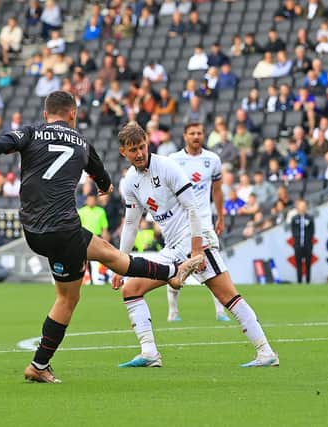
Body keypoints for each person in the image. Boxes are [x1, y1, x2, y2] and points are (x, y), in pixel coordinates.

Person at [0, 91, 201, 383]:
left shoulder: (30, 133)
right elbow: (102, 176)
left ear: (46, 115)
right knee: (112, 260)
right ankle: (172, 271)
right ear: (73, 114)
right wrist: (104, 186)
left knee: (70, 293)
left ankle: (39, 366)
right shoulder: (82, 143)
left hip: (33, 231)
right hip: (64, 230)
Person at [113, 122, 279, 368]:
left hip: (196, 241)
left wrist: (198, 248)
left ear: (148, 142)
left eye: (142, 147)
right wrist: (120, 264)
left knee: (227, 296)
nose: (139, 154)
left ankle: (265, 352)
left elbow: (193, 208)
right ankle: (149, 354)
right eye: (133, 150)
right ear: (123, 153)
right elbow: (130, 224)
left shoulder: (167, 166)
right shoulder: (129, 183)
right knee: (131, 289)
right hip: (172, 248)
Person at [168, 122, 233, 322]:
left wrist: (220, 216)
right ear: (185, 136)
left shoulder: (212, 159)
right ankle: (173, 312)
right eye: (192, 133)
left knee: (214, 263)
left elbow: (217, 191)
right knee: (175, 263)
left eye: (199, 133)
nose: (196, 136)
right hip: (179, 223)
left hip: (204, 221)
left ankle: (220, 311)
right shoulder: (173, 160)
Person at [291, 199, 315, 284]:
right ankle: (299, 281)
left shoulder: (310, 218)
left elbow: (312, 232)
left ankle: (308, 281)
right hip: (298, 245)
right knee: (298, 264)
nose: (302, 208)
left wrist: (309, 242)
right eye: (301, 206)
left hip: (308, 245)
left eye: (304, 206)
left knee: (308, 264)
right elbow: (293, 231)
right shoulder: (294, 218)